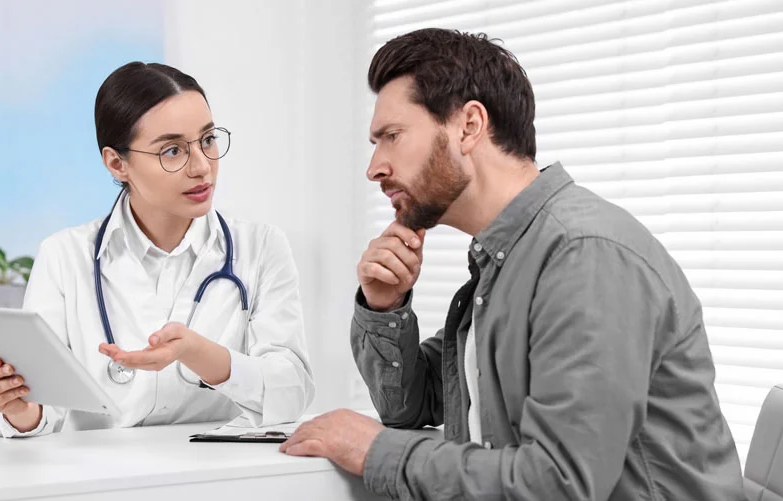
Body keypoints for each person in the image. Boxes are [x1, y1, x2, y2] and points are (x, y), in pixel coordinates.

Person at [280, 28, 745, 500]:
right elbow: (411, 408)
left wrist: (376, 450)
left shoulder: (582, 256)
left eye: (391, 137)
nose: (375, 166)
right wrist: (385, 306)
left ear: (468, 126)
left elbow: (559, 485)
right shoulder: (507, 260)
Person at [0, 62, 314, 437]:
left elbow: (292, 392)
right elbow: (42, 414)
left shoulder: (261, 248)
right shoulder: (64, 257)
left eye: (208, 140)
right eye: (172, 151)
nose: (202, 167)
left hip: (217, 476)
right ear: (117, 163)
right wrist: (18, 406)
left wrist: (199, 353)